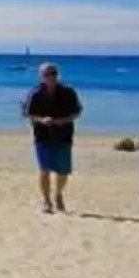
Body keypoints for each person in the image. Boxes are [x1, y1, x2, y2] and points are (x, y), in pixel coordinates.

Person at [24, 62, 82, 213]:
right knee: (44, 170)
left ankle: (58, 194)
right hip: (42, 136)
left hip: (64, 135)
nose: (50, 77)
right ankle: (47, 201)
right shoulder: (35, 93)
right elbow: (28, 113)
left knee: (63, 171)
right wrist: (41, 120)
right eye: (47, 74)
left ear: (58, 75)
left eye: (53, 73)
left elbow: (77, 112)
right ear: (41, 76)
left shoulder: (68, 92)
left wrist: (63, 121)